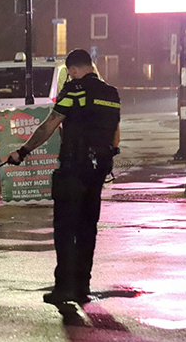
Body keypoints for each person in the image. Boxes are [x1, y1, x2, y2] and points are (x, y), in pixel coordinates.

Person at [7, 49, 121, 306]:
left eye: (69, 73)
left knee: (65, 230)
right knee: (87, 229)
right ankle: (83, 287)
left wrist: (22, 152)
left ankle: (63, 288)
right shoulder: (112, 94)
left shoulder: (74, 91)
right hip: (99, 171)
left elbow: (50, 125)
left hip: (73, 169)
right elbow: (115, 136)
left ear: (73, 70)